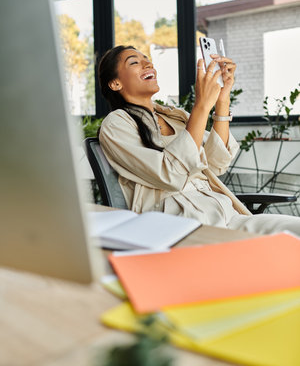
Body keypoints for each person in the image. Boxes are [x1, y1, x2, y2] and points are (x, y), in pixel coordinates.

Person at [98, 45, 300, 236]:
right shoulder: (116, 125)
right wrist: (201, 107)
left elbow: (216, 163)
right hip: (179, 219)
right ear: (115, 83)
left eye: (147, 59)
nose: (148, 64)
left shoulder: (175, 117)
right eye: (134, 62)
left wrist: (222, 100)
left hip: (226, 212)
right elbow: (170, 175)